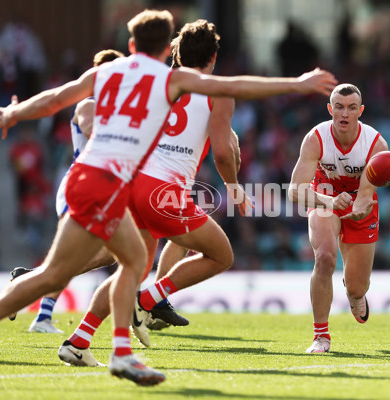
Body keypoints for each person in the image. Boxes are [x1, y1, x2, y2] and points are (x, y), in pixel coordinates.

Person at [0, 9, 336, 385]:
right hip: (121, 183)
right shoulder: (168, 80)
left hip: (97, 178)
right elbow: (233, 87)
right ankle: (120, 349)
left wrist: (15, 114)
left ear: (131, 43)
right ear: (168, 47)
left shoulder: (109, 70)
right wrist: (296, 83)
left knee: (113, 264)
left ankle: (18, 333)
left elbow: (56, 98)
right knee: (157, 263)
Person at [58, 19, 253, 367]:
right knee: (222, 255)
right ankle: (149, 299)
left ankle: (79, 340)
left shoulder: (159, 80)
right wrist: (235, 188)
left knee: (129, 268)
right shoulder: (216, 89)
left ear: (176, 52)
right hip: (162, 191)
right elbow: (223, 152)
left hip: (131, 182)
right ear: (212, 58)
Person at [7, 50, 125, 334]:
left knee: (109, 255)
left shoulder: (119, 110)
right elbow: (93, 132)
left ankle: (30, 281)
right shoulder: (89, 105)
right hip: (81, 185)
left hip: (101, 189)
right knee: (72, 254)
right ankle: (40, 315)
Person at [288, 83, 387, 354]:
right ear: (330, 109)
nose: (345, 114)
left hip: (359, 201)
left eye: (351, 108)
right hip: (324, 196)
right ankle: (321, 336)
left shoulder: (376, 144)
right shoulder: (316, 138)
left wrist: (359, 207)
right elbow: (295, 191)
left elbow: (367, 196)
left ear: (360, 111)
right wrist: (330, 201)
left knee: (357, 287)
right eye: (339, 107)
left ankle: (355, 293)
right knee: (325, 257)